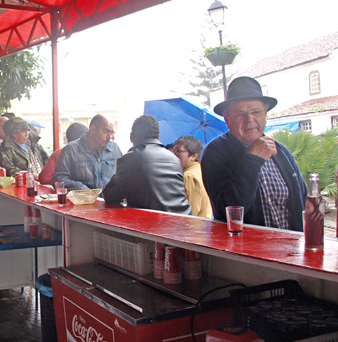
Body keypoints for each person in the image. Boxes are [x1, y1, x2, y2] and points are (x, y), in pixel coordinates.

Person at [201, 76, 307, 231]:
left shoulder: (281, 151)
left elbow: (302, 201)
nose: (249, 120)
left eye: (255, 112)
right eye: (239, 114)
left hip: (290, 249)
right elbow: (226, 212)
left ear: (265, 114)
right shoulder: (215, 152)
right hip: (244, 252)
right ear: (227, 119)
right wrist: (253, 160)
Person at [104, 115, 191, 214]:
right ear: (158, 137)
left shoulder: (130, 159)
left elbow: (111, 196)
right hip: (184, 219)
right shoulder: (174, 158)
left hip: (154, 225)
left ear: (131, 137)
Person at [53, 114, 122, 191]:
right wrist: (83, 189)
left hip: (109, 201)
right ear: (92, 129)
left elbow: (122, 176)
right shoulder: (71, 150)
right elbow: (59, 179)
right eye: (106, 131)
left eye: (112, 132)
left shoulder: (114, 148)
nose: (109, 136)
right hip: (83, 201)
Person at [173, 136, 212, 218]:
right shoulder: (202, 171)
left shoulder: (189, 177)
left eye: (178, 151)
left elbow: (190, 214)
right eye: (173, 151)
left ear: (194, 156)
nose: (174, 155)